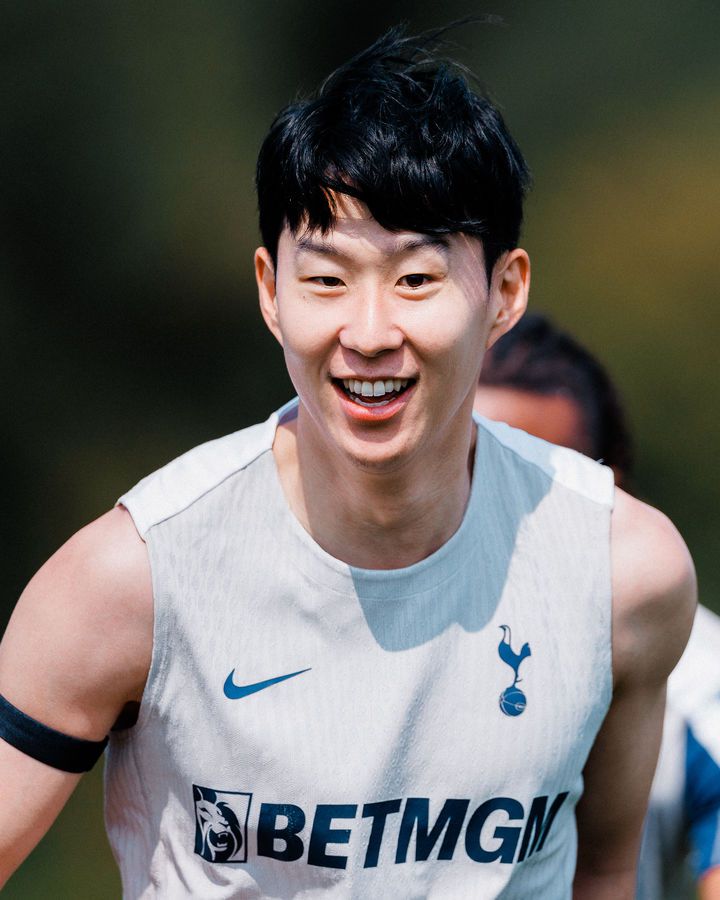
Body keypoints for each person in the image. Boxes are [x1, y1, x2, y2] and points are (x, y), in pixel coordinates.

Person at [0, 27, 696, 898]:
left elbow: (605, 871)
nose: (368, 334)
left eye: (416, 279)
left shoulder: (623, 573)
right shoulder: (130, 581)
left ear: (506, 292)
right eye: (327, 279)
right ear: (270, 291)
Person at [475, 313, 720, 899]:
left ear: (614, 492)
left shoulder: (693, 676)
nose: (495, 513)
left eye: (537, 487)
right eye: (469, 476)